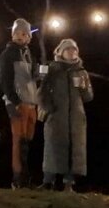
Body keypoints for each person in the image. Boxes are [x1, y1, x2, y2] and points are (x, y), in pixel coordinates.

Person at [38, 39, 93, 192]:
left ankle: (69, 183)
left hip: (75, 119)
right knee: (52, 148)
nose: (72, 52)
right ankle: (48, 181)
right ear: (61, 52)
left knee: (73, 151)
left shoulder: (82, 72)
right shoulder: (51, 69)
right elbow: (41, 91)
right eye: (68, 49)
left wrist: (83, 87)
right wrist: (48, 107)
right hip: (56, 116)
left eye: (74, 50)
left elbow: (89, 96)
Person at [0, 18, 40, 188]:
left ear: (29, 37)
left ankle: (27, 175)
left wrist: (40, 74)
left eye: (24, 33)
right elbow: (5, 79)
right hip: (18, 102)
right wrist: (14, 101)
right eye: (17, 33)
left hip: (31, 102)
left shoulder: (30, 55)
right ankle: (18, 178)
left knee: (28, 141)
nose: (20, 36)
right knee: (19, 139)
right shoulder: (7, 54)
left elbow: (33, 77)